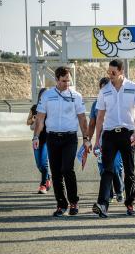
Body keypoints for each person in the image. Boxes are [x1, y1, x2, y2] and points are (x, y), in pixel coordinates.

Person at [33, 66, 90, 217]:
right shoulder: (47, 95)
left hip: (70, 138)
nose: (67, 84)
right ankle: (61, 204)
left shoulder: (76, 95)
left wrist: (86, 138)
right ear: (57, 79)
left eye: (69, 81)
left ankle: (74, 202)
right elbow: (40, 118)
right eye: (64, 81)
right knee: (56, 172)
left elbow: (82, 119)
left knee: (67, 169)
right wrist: (36, 136)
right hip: (52, 138)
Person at [92, 59, 135, 218]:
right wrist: (97, 140)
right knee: (107, 170)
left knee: (129, 171)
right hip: (108, 135)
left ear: (121, 72)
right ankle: (102, 204)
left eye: (113, 73)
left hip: (128, 134)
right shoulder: (104, 90)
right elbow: (100, 117)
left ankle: (130, 203)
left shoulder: (133, 87)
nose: (110, 75)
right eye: (109, 72)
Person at [88, 77, 124, 203]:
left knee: (115, 166)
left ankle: (119, 190)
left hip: (116, 138)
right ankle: (108, 193)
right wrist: (89, 139)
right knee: (103, 167)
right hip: (102, 140)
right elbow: (92, 123)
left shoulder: (118, 100)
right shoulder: (95, 104)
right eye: (102, 87)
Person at [27, 87, 51, 194]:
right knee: (39, 164)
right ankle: (48, 177)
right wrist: (33, 119)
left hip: (48, 139)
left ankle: (43, 185)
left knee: (44, 163)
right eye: (43, 95)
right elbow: (28, 122)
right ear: (40, 96)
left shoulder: (51, 108)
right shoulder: (34, 108)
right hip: (36, 138)